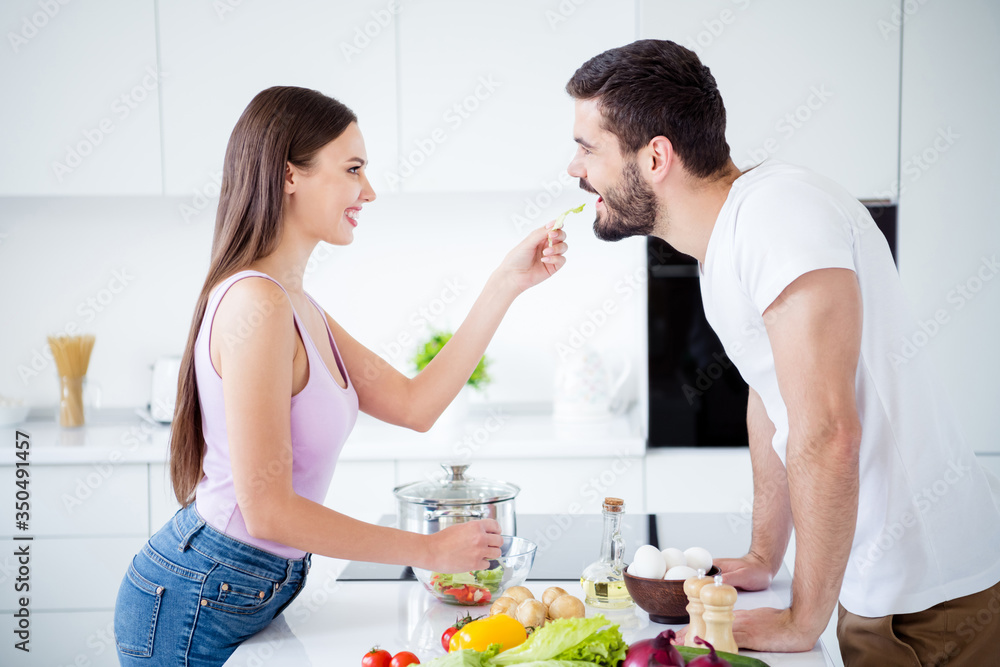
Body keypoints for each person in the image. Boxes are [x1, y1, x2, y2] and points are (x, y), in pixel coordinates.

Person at [564, 40, 1000, 664]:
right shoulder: (728, 241)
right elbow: (773, 401)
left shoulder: (778, 216)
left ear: (655, 156)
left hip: (931, 600)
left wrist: (802, 620)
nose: (574, 169)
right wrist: (766, 555)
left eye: (587, 148)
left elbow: (827, 432)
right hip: (868, 582)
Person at [112, 86, 569, 665]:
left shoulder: (297, 304)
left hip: (240, 586)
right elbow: (268, 510)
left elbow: (415, 404)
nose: (369, 191)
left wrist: (508, 282)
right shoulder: (258, 304)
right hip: (194, 596)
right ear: (288, 176)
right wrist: (429, 550)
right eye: (353, 169)